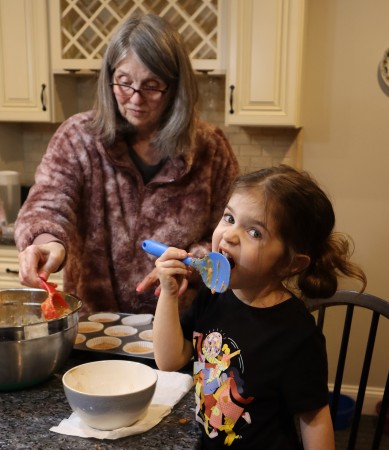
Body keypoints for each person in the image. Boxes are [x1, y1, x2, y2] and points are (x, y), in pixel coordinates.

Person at [14, 13, 239, 315]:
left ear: (175, 89)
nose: (134, 98)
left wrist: (190, 264)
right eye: (123, 82)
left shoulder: (210, 150)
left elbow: (227, 240)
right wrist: (47, 242)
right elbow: (49, 202)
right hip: (93, 327)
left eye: (151, 86)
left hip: (179, 331)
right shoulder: (78, 138)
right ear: (110, 77)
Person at [152, 165, 367, 449]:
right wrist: (168, 294)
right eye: (229, 217)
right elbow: (170, 360)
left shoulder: (296, 334)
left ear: (290, 263)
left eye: (254, 232)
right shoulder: (213, 295)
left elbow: (314, 418)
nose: (229, 235)